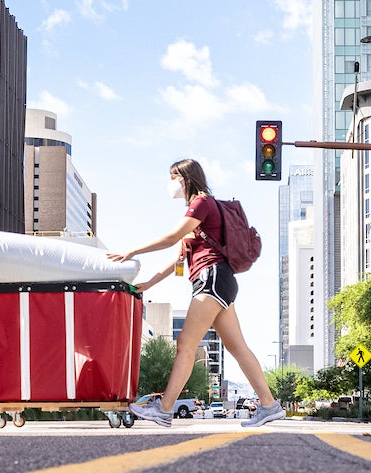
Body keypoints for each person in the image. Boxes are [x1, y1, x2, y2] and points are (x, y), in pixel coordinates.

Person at [108, 159, 282, 428]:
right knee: (238, 348)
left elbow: (170, 237)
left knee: (186, 345)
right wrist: (149, 284)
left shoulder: (201, 203)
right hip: (219, 281)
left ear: (186, 178)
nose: (170, 183)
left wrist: (132, 251)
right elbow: (178, 259)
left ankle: (164, 408)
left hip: (211, 278)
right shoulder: (195, 215)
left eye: (173, 176)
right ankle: (269, 405)